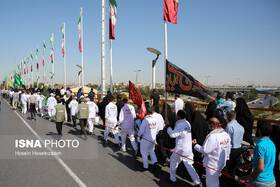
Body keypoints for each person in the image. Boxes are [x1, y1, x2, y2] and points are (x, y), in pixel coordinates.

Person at [193, 117, 231, 187]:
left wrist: (195, 145)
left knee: (211, 183)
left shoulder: (213, 136)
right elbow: (228, 148)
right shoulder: (226, 134)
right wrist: (226, 159)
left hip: (212, 164)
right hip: (221, 162)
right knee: (215, 181)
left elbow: (205, 150)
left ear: (212, 125)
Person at [167, 110, 202, 186]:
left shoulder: (180, 124)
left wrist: (168, 126)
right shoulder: (187, 123)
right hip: (188, 148)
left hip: (180, 148)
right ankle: (197, 182)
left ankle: (172, 178)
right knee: (189, 165)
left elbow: (173, 135)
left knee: (173, 161)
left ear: (178, 116)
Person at [239, 120, 276, 187]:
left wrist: (247, 177)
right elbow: (265, 161)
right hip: (271, 181)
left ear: (259, 130)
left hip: (260, 182)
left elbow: (260, 168)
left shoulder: (260, 146)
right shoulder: (271, 143)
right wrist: (251, 164)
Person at [138, 106, 160, 170]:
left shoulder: (145, 120)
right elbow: (158, 129)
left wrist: (138, 135)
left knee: (144, 152)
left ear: (147, 112)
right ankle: (155, 162)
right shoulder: (156, 120)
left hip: (145, 139)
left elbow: (141, 130)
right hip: (153, 139)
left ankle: (145, 166)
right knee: (151, 151)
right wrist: (154, 134)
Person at [225, 110, 244, 177]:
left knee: (228, 168)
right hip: (238, 149)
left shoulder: (229, 126)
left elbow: (227, 140)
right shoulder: (240, 126)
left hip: (231, 150)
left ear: (228, 117)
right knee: (233, 167)